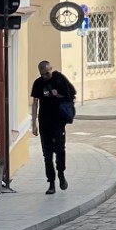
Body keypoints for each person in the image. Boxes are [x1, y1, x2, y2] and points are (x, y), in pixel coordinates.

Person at [30, 58, 77, 194]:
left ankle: (61, 174)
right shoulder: (38, 83)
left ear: (51, 69)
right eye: (42, 74)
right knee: (47, 154)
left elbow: (71, 94)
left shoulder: (59, 79)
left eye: (47, 73)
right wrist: (33, 123)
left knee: (60, 149)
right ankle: (51, 183)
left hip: (58, 121)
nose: (45, 76)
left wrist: (59, 95)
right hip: (44, 121)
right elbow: (35, 103)